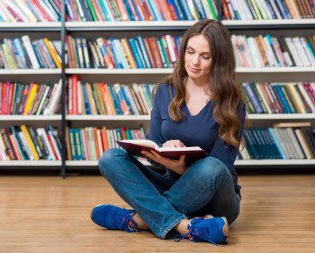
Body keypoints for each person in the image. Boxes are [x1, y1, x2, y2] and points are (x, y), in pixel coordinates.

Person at [91, 19, 246, 245]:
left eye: (205, 56)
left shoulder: (232, 102)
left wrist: (181, 167)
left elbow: (220, 165)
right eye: (190, 52)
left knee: (211, 167)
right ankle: (189, 226)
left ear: (219, 60)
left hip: (218, 196)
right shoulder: (165, 91)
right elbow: (153, 144)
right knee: (110, 158)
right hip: (174, 186)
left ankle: (138, 219)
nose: (194, 61)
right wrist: (162, 154)